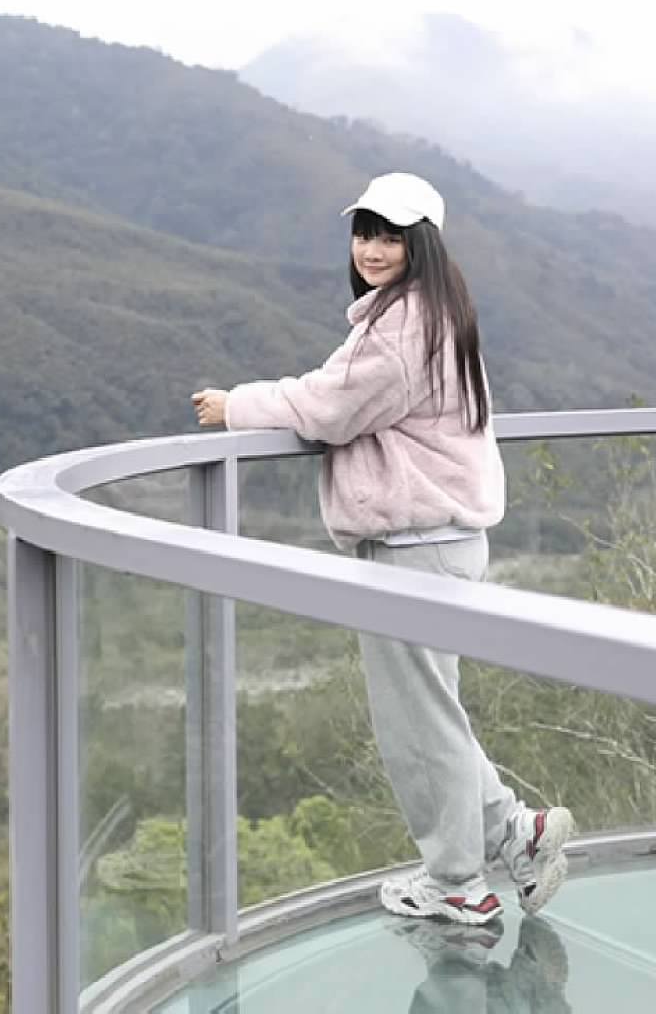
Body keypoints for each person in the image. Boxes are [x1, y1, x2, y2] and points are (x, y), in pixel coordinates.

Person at [190, 170, 573, 928]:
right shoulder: (431, 314)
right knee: (432, 712)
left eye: (389, 234)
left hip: (416, 547)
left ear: (420, 242)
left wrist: (237, 405)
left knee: (414, 726)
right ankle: (515, 835)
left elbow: (328, 407)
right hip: (440, 542)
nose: (371, 247)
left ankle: (456, 883)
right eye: (364, 231)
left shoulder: (403, 330)